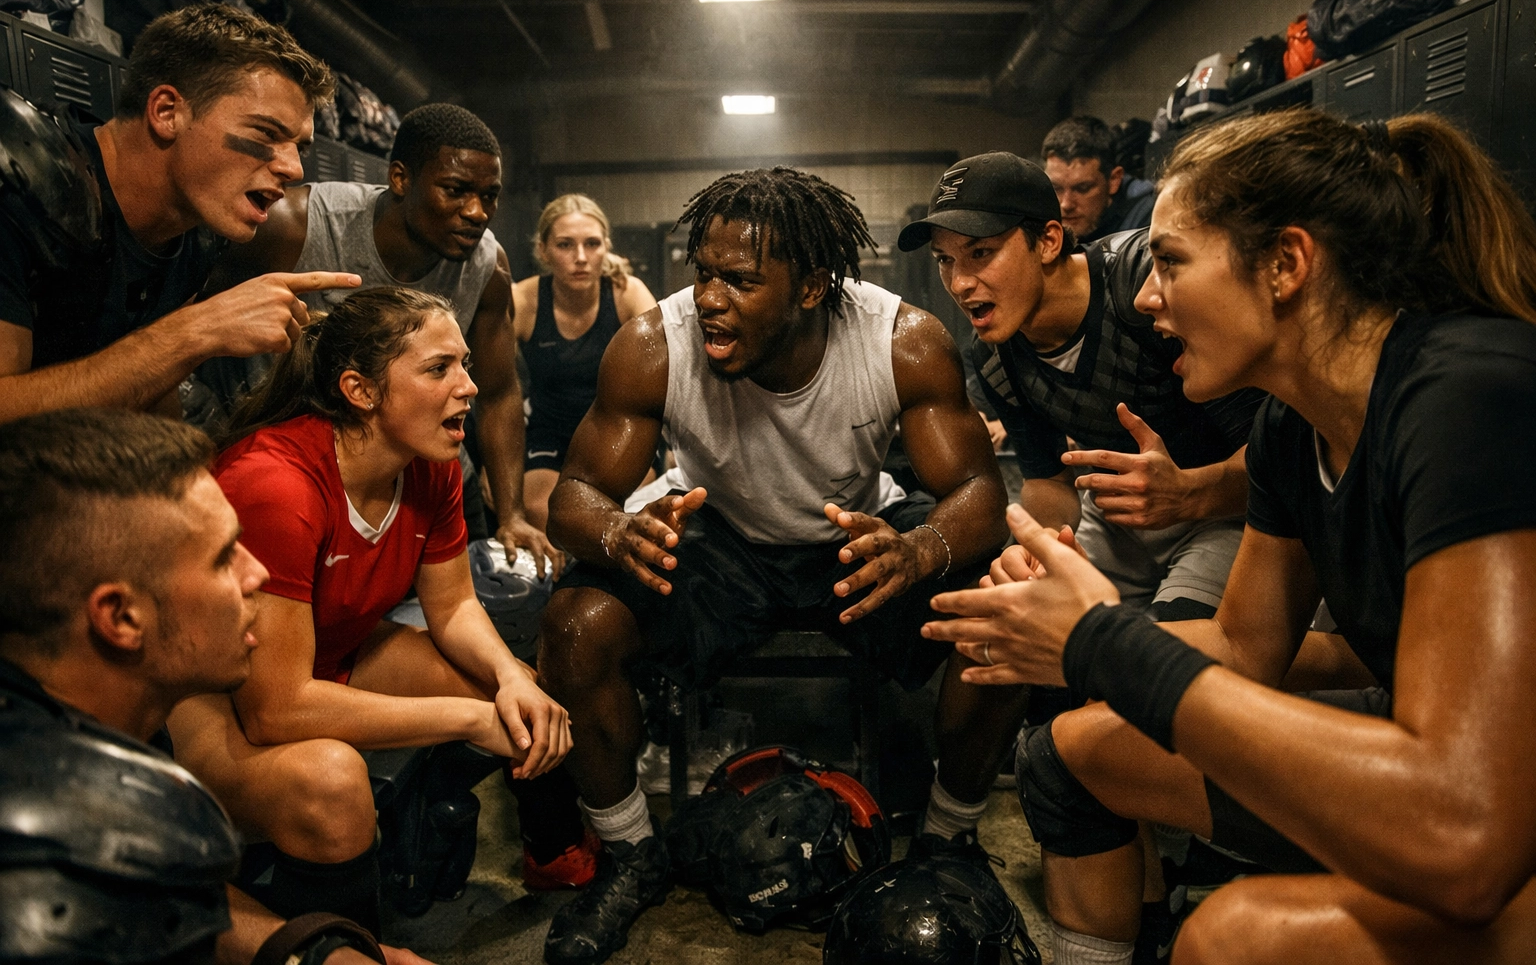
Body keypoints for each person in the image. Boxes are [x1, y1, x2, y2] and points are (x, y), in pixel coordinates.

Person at [922, 109, 1536, 964]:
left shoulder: (1467, 394)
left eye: (1170, 262)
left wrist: (1104, 642)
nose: (1145, 295)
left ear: (1286, 265)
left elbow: (1464, 835)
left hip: (1486, 817)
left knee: (1230, 938)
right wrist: (1058, 639)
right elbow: (1247, 647)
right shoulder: (1293, 426)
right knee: (1064, 757)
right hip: (1441, 773)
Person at [536, 167, 1021, 965]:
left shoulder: (901, 340)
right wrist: (619, 533)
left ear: (810, 288)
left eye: (740, 280)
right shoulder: (655, 343)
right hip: (718, 537)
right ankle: (630, 854)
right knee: (576, 623)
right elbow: (577, 495)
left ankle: (946, 842)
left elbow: (977, 491)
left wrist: (921, 548)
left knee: (1001, 609)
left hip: (855, 543)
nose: (711, 298)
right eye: (703, 274)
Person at [166, 288, 571, 929]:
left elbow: (456, 604)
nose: (469, 387)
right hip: (215, 693)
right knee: (335, 781)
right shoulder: (277, 485)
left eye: (464, 364)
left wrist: (512, 676)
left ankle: (422, 829)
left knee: (517, 700)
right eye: (439, 369)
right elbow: (276, 708)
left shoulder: (428, 461)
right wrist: (464, 719)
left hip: (331, 648)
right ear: (360, 390)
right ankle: (340, 941)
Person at [0, 407, 429, 965]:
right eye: (225, 556)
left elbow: (158, 903)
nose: (256, 574)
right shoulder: (48, 888)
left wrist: (310, 953)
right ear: (122, 617)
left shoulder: (77, 727)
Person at [899, 151, 1263, 627]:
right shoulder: (996, 354)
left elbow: (1283, 458)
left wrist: (1189, 492)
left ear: (1048, 241)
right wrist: (1040, 553)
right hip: (1120, 520)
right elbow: (1048, 481)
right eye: (946, 260)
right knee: (999, 633)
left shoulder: (1143, 287)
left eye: (981, 253)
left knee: (1162, 664)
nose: (960, 282)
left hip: (1231, 510)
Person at [207, 102, 561, 577]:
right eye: (455, 191)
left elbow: (497, 391)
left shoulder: (486, 267)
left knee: (473, 591)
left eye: (489, 195)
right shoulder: (294, 226)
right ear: (399, 178)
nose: (477, 212)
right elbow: (199, 326)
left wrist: (514, 514)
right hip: (294, 463)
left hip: (418, 466)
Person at [0, 2, 358, 424]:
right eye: (266, 132)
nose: (294, 168)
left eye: (298, 146)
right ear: (168, 112)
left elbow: (148, 394)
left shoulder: (200, 228)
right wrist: (198, 329)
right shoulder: (20, 184)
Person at [513, 194, 657, 531]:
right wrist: (492, 468)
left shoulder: (627, 293)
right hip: (550, 425)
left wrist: (677, 447)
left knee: (628, 508)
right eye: (565, 245)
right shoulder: (522, 300)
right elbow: (489, 387)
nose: (580, 258)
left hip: (618, 424)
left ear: (606, 246)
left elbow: (671, 370)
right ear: (543, 249)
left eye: (592, 244)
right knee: (539, 510)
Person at [1042, 115, 1155, 244]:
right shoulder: (1038, 205)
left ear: (1114, 180)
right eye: (1055, 188)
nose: (1066, 204)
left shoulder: (1149, 217)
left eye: (1082, 188)